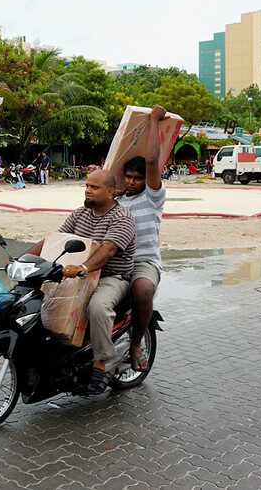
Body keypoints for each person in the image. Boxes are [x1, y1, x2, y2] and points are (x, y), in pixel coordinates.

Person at [25, 169, 135, 394]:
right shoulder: (79, 214)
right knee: (41, 299)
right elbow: (54, 240)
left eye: (94, 187)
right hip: (77, 275)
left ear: (110, 192)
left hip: (111, 277)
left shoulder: (122, 218)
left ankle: (101, 364)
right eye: (87, 186)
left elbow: (108, 249)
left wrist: (84, 267)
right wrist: (24, 259)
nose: (88, 190)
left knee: (98, 307)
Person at [115, 104, 168, 372]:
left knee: (143, 290)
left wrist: (153, 121)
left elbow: (150, 162)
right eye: (129, 177)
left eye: (139, 178)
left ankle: (136, 343)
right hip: (114, 262)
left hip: (143, 262)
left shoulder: (153, 196)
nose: (133, 182)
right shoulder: (116, 201)